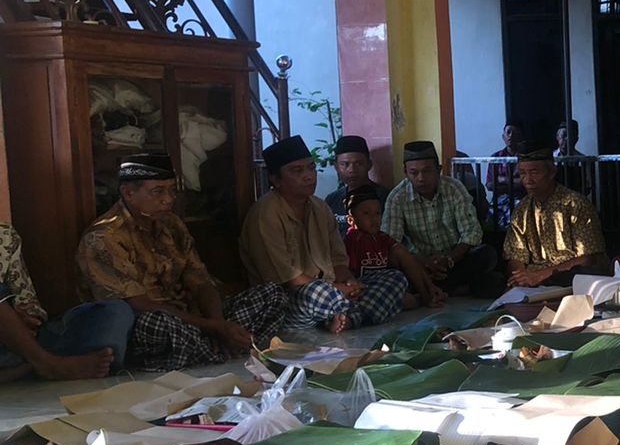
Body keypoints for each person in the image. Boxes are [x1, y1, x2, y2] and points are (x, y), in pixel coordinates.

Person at [77, 153, 289, 372]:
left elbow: (200, 281)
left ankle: (213, 348)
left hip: (192, 318)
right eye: (158, 192)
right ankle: (221, 349)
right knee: (158, 325)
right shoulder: (104, 237)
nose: (168, 199)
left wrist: (218, 323)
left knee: (272, 294)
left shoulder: (171, 224)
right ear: (128, 193)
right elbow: (138, 304)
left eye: (172, 190)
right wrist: (213, 327)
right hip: (145, 325)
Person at [240, 136, 410, 334]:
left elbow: (338, 260)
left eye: (311, 168)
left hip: (330, 289)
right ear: (275, 179)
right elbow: (289, 279)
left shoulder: (321, 207)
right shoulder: (265, 214)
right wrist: (338, 290)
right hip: (289, 298)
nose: (309, 176)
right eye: (297, 171)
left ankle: (341, 317)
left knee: (394, 278)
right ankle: (353, 314)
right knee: (317, 293)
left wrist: (349, 282)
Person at [0, 222, 132, 382]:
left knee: (115, 311)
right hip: (28, 352)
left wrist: (22, 317)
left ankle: (26, 367)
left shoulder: (5, 234)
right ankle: (48, 365)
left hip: (20, 345)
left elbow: (30, 306)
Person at [382, 140, 500, 296]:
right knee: (394, 270)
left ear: (438, 170)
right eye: (414, 173)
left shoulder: (454, 188)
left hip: (454, 261)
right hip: (418, 265)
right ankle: (453, 288)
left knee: (487, 254)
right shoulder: (397, 197)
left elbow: (471, 232)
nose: (421, 178)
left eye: (427, 171)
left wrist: (448, 260)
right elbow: (390, 242)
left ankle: (434, 287)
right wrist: (423, 263)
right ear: (405, 172)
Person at [503, 149, 607, 288]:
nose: (528, 180)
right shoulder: (522, 209)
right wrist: (522, 278)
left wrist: (541, 275)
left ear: (551, 172)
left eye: (534, 172)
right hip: (536, 279)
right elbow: (515, 255)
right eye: (523, 173)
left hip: (570, 276)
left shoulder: (576, 204)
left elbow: (589, 257)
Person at [344, 185, 446, 311]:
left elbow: (406, 257)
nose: (374, 218)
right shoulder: (352, 240)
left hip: (389, 283)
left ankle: (427, 293)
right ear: (351, 220)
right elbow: (350, 276)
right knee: (405, 301)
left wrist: (430, 286)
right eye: (366, 213)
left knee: (400, 250)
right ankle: (422, 298)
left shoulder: (382, 237)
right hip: (367, 287)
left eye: (377, 213)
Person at [323, 135, 389, 232]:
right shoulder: (332, 200)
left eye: (358, 164)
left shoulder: (384, 197)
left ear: (369, 165)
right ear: (336, 167)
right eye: (344, 164)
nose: (352, 170)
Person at [486, 120, 526, 223]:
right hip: (499, 200)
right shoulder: (496, 157)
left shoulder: (525, 157)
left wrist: (502, 179)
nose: (511, 136)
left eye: (515, 133)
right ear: (503, 136)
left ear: (521, 136)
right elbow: (490, 185)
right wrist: (514, 182)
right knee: (489, 221)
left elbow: (524, 183)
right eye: (508, 132)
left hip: (520, 199)